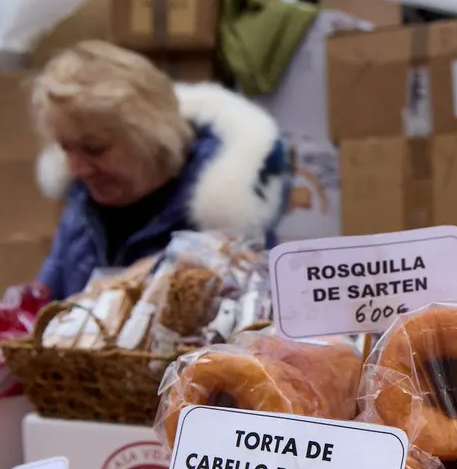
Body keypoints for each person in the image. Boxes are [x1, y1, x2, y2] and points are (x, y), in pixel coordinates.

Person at [31, 41, 291, 300]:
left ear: (151, 138)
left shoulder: (226, 224)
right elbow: (43, 307)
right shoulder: (81, 204)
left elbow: (257, 327)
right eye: (66, 149)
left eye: (95, 149)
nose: (78, 170)